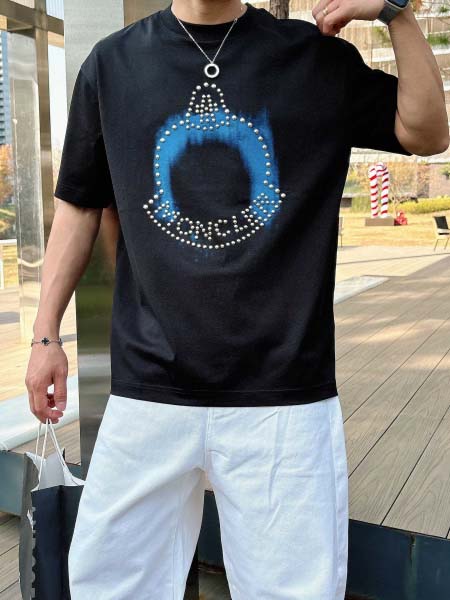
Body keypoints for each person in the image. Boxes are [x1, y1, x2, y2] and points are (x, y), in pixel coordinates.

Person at [25, 0, 447, 598]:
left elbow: (427, 133)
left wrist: (396, 13)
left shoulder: (313, 59)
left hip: (284, 394)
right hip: (148, 386)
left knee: (291, 591)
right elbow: (78, 205)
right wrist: (45, 334)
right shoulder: (113, 64)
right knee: (112, 584)